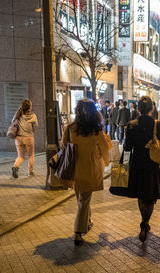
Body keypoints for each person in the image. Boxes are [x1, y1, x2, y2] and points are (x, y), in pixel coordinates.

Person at [62, 99, 111, 245]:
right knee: (84, 200)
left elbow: (63, 147)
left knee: (81, 198)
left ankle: (87, 221)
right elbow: (104, 149)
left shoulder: (70, 128)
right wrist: (107, 162)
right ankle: (78, 232)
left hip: (74, 168)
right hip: (90, 168)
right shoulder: (96, 130)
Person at [124, 96, 160, 242]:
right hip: (153, 165)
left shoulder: (132, 125)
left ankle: (144, 222)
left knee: (141, 194)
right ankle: (145, 223)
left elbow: (127, 147)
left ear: (138, 109)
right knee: (150, 196)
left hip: (137, 163)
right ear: (152, 108)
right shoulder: (158, 125)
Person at [11, 99, 38, 178]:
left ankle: (15, 167)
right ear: (30, 107)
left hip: (18, 138)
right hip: (29, 137)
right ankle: (30, 172)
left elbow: (12, 121)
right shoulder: (33, 115)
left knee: (20, 156)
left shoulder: (18, 114)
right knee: (31, 156)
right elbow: (36, 125)